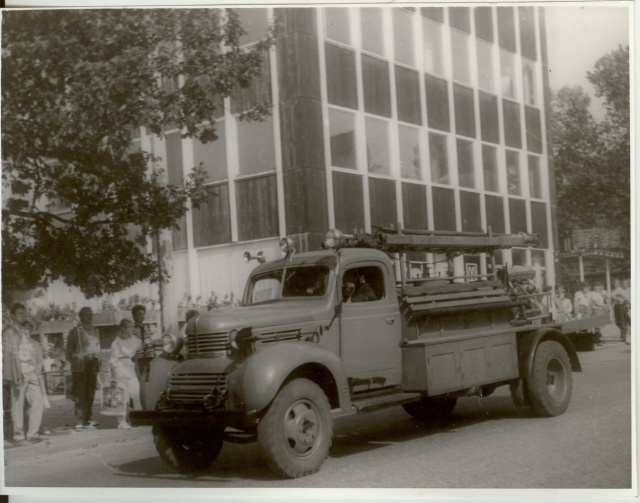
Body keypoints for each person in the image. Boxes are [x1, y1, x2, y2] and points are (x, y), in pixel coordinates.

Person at [2, 303, 47, 443]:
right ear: (13, 316)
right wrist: (13, 377)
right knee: (18, 404)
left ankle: (32, 433)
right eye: (20, 313)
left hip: (30, 370)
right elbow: (7, 356)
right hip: (18, 370)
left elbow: (31, 349)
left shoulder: (24, 330)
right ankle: (18, 435)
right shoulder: (8, 332)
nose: (23, 316)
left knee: (38, 400)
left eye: (24, 313)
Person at [65, 307, 101, 431]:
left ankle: (88, 419)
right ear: (80, 317)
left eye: (91, 315)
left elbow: (97, 347)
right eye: (86, 315)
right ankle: (79, 420)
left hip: (93, 362)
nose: (89, 317)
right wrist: (75, 362)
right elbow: (69, 351)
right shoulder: (75, 331)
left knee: (91, 392)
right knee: (80, 393)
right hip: (80, 364)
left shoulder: (95, 330)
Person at [109, 319, 142, 429]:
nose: (131, 329)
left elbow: (144, 344)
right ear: (123, 328)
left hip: (129, 366)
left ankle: (137, 418)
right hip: (119, 367)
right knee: (122, 395)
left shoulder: (135, 340)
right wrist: (114, 377)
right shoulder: (116, 343)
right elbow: (112, 361)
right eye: (129, 327)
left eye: (132, 326)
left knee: (136, 393)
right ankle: (121, 422)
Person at [132, 304, 156, 378]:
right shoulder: (131, 329)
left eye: (143, 314)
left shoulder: (146, 328)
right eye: (139, 314)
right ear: (134, 316)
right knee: (141, 378)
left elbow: (149, 341)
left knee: (150, 377)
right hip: (139, 359)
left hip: (149, 357)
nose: (142, 316)